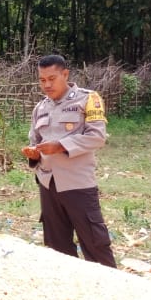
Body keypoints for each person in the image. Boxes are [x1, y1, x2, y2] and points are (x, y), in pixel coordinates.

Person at [21, 55, 117, 267]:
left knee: (95, 243)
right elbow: (35, 141)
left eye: (52, 79)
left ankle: (110, 284)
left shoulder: (87, 99)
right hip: (48, 184)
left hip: (78, 184)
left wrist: (61, 146)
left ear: (65, 74)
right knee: (57, 247)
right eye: (42, 80)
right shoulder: (40, 108)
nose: (47, 85)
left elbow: (97, 137)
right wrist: (33, 154)